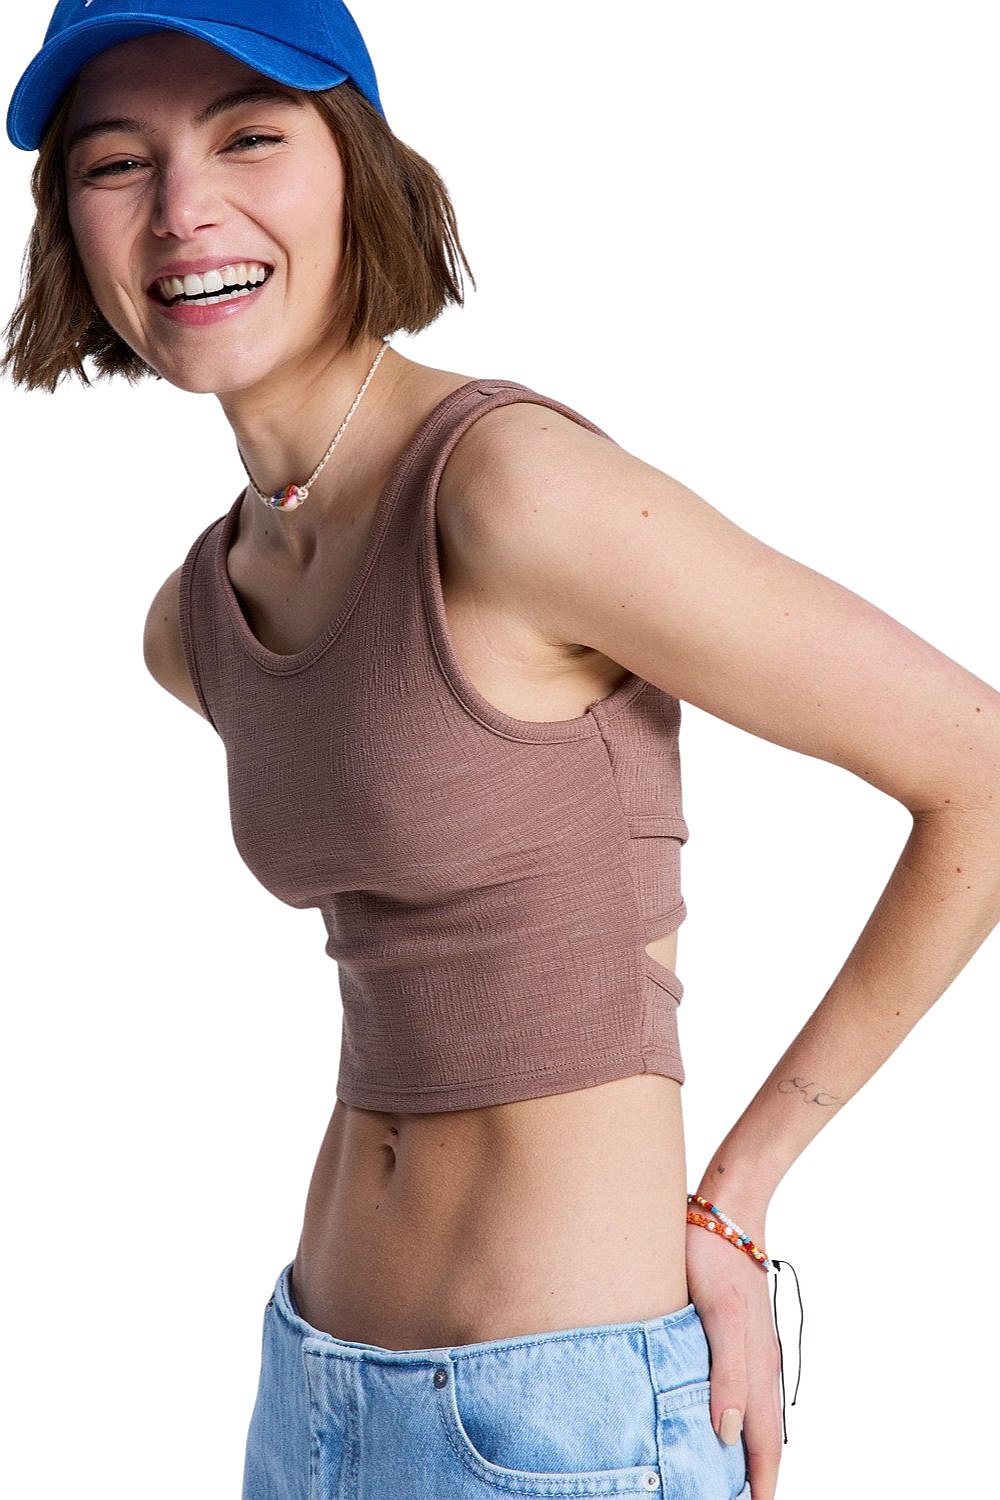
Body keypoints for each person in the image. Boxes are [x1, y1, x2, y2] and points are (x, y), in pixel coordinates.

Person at [5, 4, 1000, 1498]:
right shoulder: (195, 622)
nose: (182, 207)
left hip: (556, 1418)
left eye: (250, 135)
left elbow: (978, 768)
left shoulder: (508, 493)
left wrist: (734, 1198)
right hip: (311, 1389)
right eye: (114, 161)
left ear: (358, 166)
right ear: (69, 227)